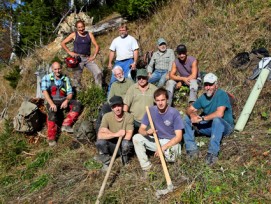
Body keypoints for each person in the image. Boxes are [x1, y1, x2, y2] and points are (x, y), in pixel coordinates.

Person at [183, 73, 234, 165]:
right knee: (186, 119)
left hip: (225, 127)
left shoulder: (221, 94)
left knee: (217, 120)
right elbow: (189, 109)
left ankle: (212, 153)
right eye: (206, 85)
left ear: (216, 85)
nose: (208, 87)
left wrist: (202, 118)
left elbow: (220, 113)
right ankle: (191, 149)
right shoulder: (203, 97)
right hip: (210, 127)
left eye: (210, 84)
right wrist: (192, 115)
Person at [133, 87, 184, 172]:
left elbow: (179, 137)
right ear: (155, 101)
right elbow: (141, 129)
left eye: (162, 100)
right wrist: (146, 132)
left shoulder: (174, 113)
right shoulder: (150, 111)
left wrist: (163, 148)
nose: (160, 103)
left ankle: (164, 157)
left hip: (171, 142)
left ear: (167, 99)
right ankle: (146, 167)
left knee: (171, 157)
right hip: (158, 140)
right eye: (158, 100)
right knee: (136, 138)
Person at [41, 62, 82, 147]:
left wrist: (67, 100)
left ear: (61, 68)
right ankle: (51, 138)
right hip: (52, 101)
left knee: (77, 104)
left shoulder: (65, 79)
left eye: (59, 68)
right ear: (52, 69)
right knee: (51, 115)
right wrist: (51, 104)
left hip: (63, 100)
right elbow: (45, 92)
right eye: (55, 69)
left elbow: (70, 93)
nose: (57, 71)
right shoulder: (47, 78)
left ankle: (66, 125)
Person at [61, 20, 102, 89]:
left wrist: (94, 56)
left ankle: (98, 90)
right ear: (77, 28)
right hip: (78, 59)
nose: (81, 29)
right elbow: (63, 43)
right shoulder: (74, 35)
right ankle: (79, 93)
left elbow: (97, 46)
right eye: (79, 27)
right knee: (77, 78)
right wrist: (69, 52)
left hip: (88, 58)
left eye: (82, 27)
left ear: (84, 26)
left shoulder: (89, 34)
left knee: (98, 72)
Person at [95, 96, 134, 167]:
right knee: (100, 142)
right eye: (114, 106)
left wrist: (107, 132)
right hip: (112, 144)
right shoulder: (106, 116)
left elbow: (128, 135)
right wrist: (115, 134)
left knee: (126, 144)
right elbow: (100, 135)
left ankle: (125, 160)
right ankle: (107, 160)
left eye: (119, 105)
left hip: (122, 146)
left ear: (122, 106)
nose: (117, 109)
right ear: (112, 108)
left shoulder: (129, 117)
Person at [95, 65, 134, 133]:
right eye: (117, 75)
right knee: (104, 108)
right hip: (116, 104)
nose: (119, 76)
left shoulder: (130, 82)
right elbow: (110, 98)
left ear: (123, 73)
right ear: (115, 76)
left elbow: (133, 94)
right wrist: (113, 106)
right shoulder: (114, 85)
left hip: (126, 104)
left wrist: (124, 101)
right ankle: (99, 131)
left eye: (120, 73)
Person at [107, 23, 139, 93]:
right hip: (118, 62)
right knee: (113, 80)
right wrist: (109, 62)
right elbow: (112, 51)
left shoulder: (131, 39)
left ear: (127, 30)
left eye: (123, 30)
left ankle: (130, 97)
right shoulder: (115, 40)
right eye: (120, 30)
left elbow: (135, 51)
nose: (122, 32)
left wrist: (135, 62)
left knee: (129, 80)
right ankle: (109, 99)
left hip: (129, 62)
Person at [124, 69, 157, 133]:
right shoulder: (132, 89)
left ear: (147, 78)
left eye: (143, 78)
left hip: (149, 121)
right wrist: (125, 119)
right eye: (139, 78)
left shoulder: (154, 89)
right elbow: (126, 105)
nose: (141, 80)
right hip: (134, 120)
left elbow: (159, 104)